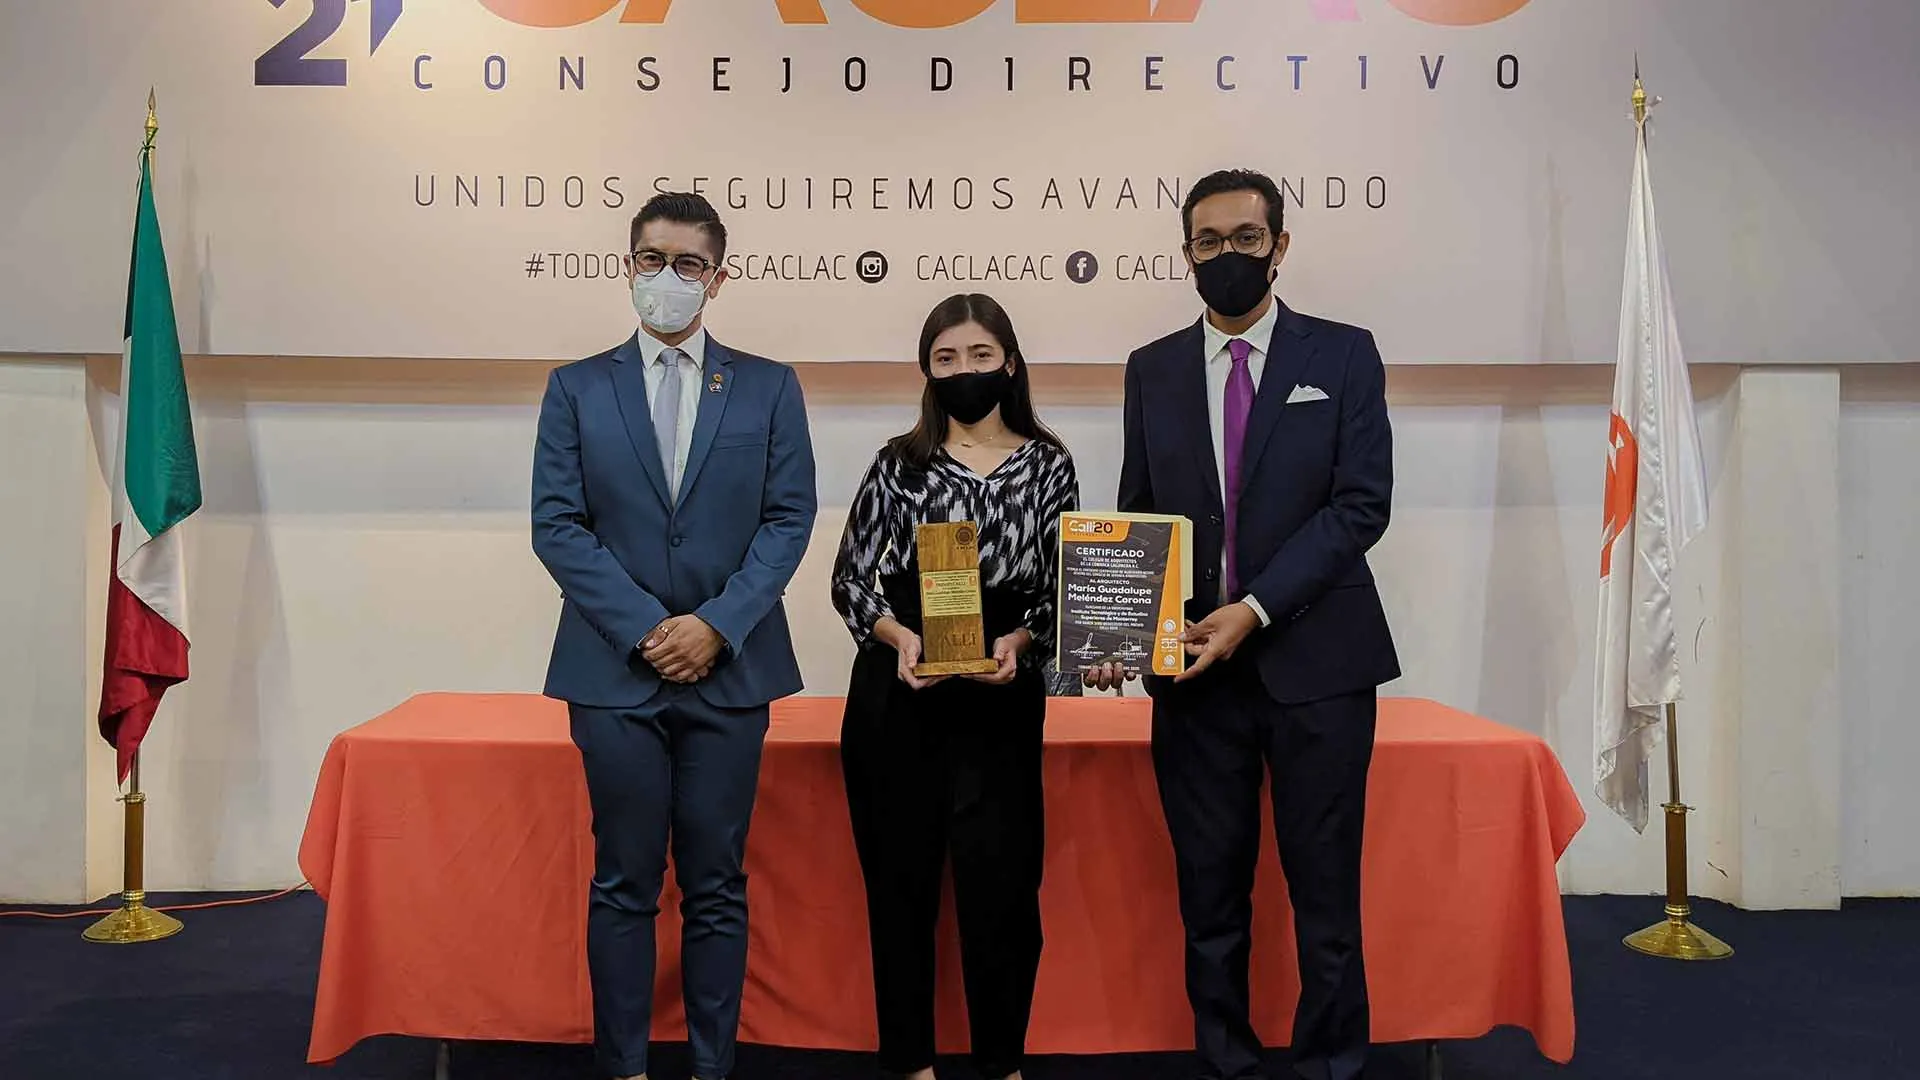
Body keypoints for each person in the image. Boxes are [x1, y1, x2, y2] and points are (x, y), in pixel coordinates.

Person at [1086, 169, 1399, 1080]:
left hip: (1320, 668)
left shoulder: (1343, 355)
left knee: (1325, 896)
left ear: (1279, 246)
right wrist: (1121, 638)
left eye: (1246, 239)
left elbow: (1360, 506)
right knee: (1209, 895)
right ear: (1187, 253)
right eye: (1208, 242)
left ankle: (1331, 1064)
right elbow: (1139, 513)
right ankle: (1226, 1059)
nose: (1227, 255)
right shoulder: (1152, 367)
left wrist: (1253, 610)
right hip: (1195, 675)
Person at [531, 191, 817, 1080]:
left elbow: (789, 519)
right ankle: (623, 1066)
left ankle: (710, 1066)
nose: (668, 277)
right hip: (613, 677)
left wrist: (716, 626)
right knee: (623, 882)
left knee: (716, 885)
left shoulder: (769, 386)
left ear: (717, 279)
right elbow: (557, 525)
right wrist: (652, 630)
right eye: (652, 259)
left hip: (731, 675)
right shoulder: (575, 387)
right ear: (628, 267)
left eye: (688, 264)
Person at [830, 293, 1080, 1080]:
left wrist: (1023, 641)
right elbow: (849, 580)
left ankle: (1002, 1062)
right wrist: (898, 636)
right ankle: (911, 1063)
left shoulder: (1049, 464)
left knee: (1004, 891)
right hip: (901, 690)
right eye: (946, 358)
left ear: (1009, 363)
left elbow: (1062, 589)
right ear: (927, 371)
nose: (964, 370)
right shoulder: (898, 462)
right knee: (899, 889)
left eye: (979, 355)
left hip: (1001, 692)